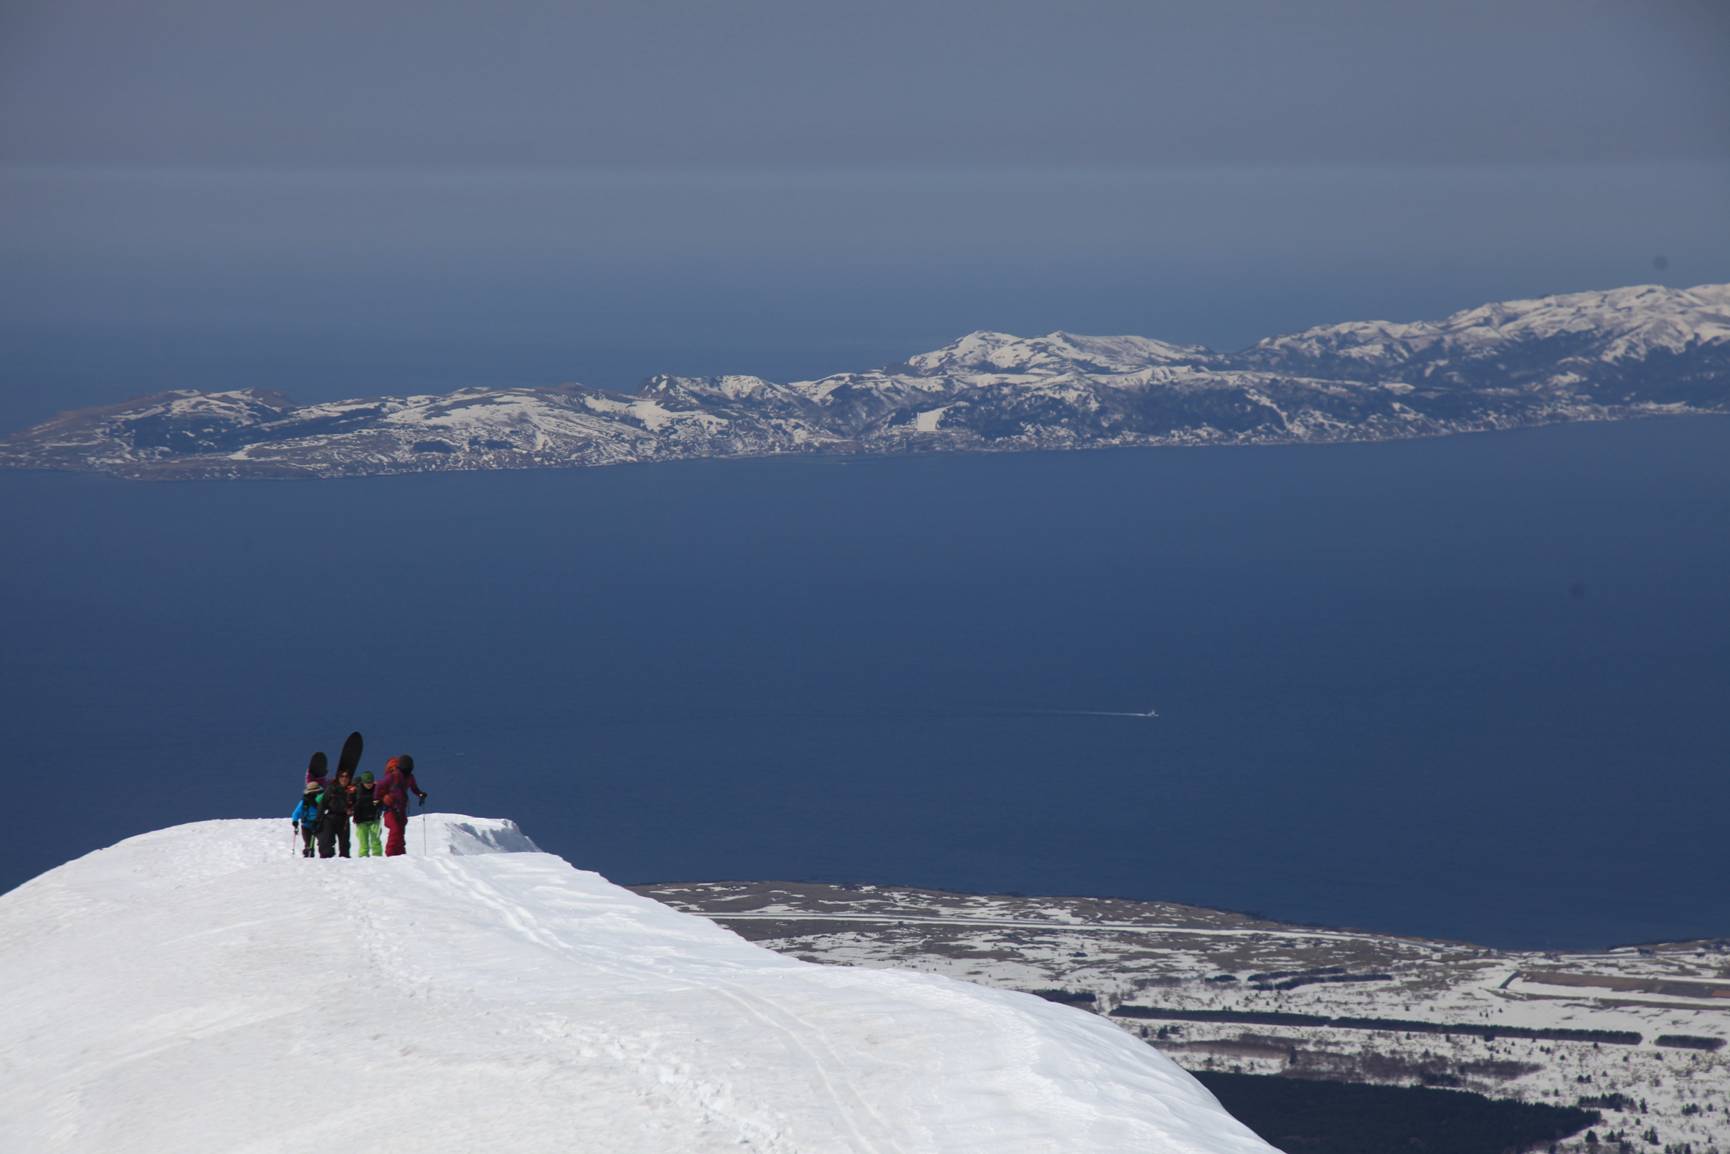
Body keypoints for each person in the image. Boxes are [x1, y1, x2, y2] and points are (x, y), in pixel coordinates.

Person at [376, 754, 428, 857]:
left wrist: (420, 794)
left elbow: (414, 788)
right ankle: (391, 854)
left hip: (400, 807)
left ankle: (400, 856)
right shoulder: (396, 776)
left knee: (400, 831)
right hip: (391, 808)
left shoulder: (407, 777)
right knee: (396, 829)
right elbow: (379, 786)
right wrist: (378, 800)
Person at [317, 766, 355, 859]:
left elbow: (356, 803)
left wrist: (352, 810)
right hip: (330, 817)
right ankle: (326, 860)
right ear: (338, 778)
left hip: (344, 819)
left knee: (344, 844)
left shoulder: (352, 790)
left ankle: (344, 863)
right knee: (326, 841)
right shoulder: (332, 788)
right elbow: (323, 803)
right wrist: (318, 819)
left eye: (346, 776)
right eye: (342, 776)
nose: (344, 778)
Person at [352, 770, 384, 858]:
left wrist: (380, 803)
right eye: (366, 782)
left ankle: (377, 857)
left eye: (370, 782)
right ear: (362, 782)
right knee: (363, 841)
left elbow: (382, 801)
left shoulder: (377, 789)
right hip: (361, 820)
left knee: (375, 840)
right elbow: (351, 802)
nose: (369, 784)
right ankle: (363, 858)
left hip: (374, 819)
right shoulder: (357, 790)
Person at [291, 781, 321, 858]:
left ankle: (312, 856)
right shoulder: (305, 802)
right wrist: (295, 821)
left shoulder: (306, 801)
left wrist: (295, 821)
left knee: (321, 843)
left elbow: (296, 813)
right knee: (309, 844)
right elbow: (296, 813)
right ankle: (309, 855)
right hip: (307, 826)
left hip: (317, 825)